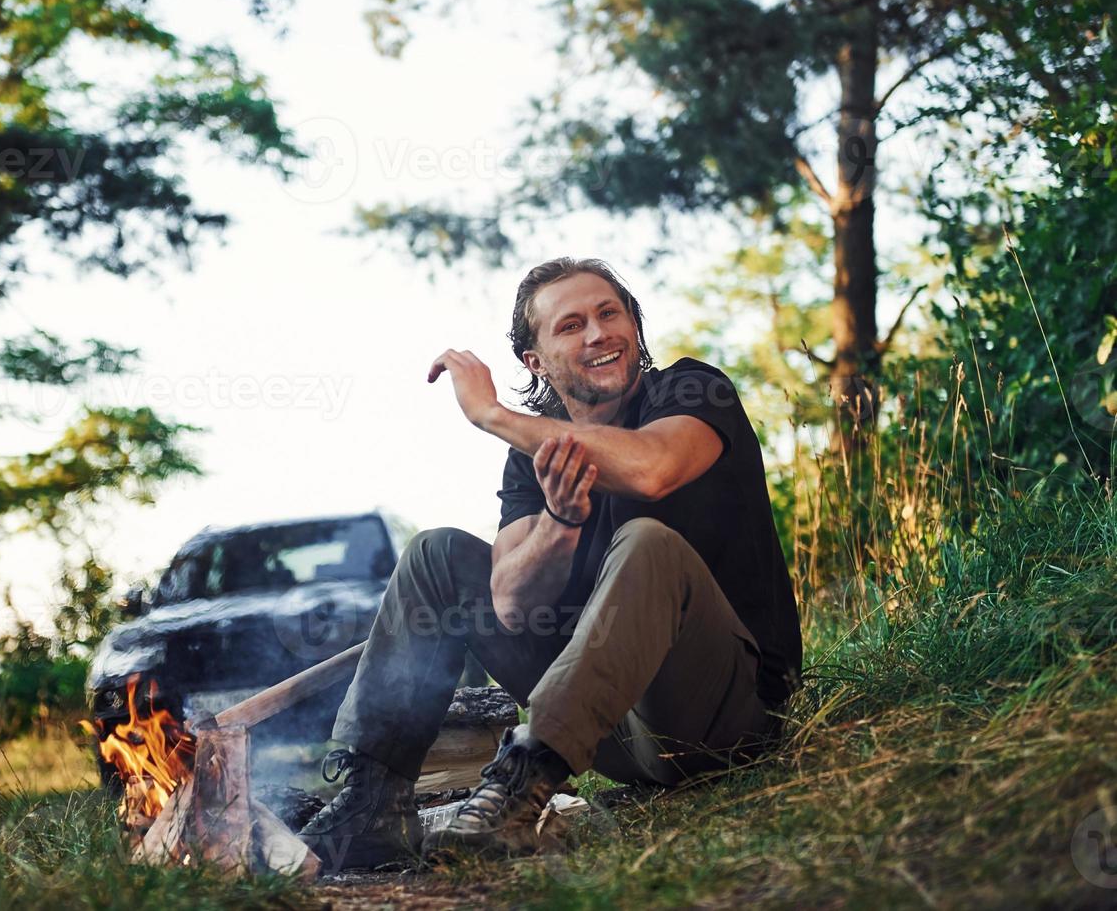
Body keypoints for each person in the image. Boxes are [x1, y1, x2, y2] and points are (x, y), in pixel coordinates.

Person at [296, 257, 802, 870]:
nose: (598, 333)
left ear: (635, 327)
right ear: (535, 360)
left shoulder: (692, 390)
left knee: (646, 541)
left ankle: (521, 782)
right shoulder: (534, 455)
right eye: (571, 325)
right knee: (436, 554)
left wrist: (492, 417)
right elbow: (509, 605)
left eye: (610, 313)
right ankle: (371, 802)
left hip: (721, 720)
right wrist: (560, 524)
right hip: (612, 736)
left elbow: (652, 468)